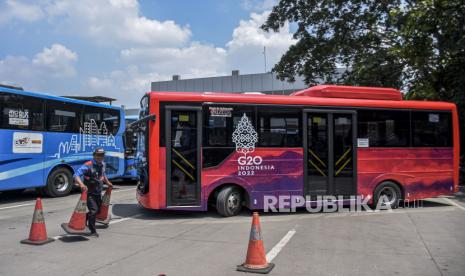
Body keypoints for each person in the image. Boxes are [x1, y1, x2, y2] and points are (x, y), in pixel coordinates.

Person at [74, 148, 113, 237]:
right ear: (94, 155)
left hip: (98, 192)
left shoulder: (103, 164)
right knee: (94, 210)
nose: (100, 157)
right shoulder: (88, 165)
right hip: (89, 193)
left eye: (102, 155)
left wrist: (107, 182)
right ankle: (92, 231)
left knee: (97, 211)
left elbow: (103, 174)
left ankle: (84, 219)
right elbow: (76, 175)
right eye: (98, 155)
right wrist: (81, 184)